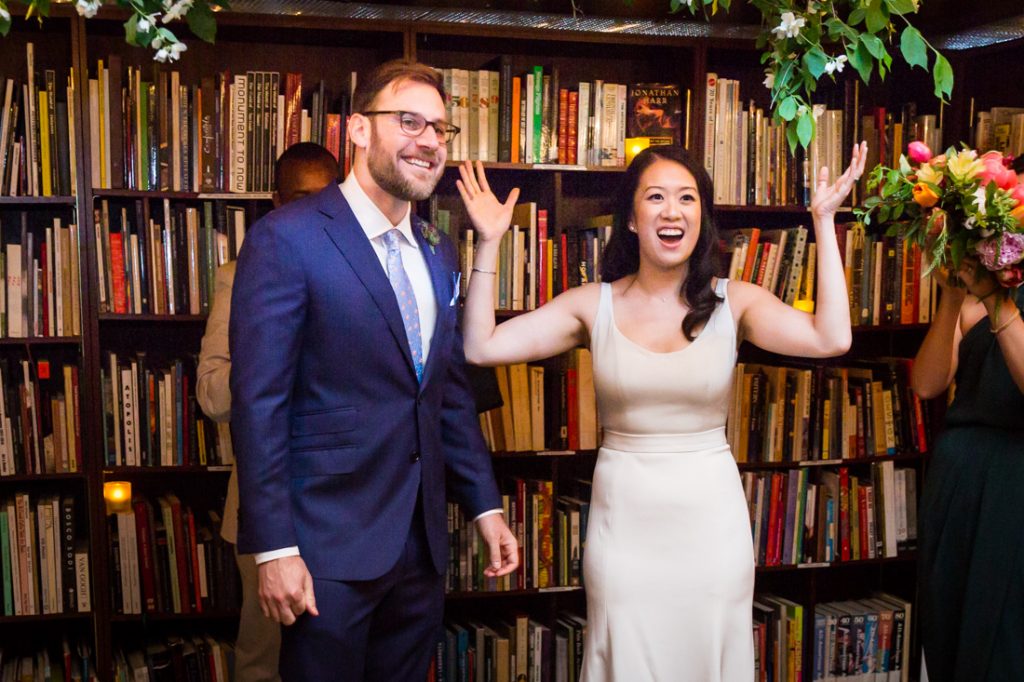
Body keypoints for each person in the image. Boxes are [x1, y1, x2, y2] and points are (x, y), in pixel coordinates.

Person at [456, 141, 866, 681]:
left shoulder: (734, 301)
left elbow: (832, 337)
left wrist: (823, 221)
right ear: (630, 217)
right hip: (624, 527)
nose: (672, 211)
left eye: (687, 199)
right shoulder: (591, 303)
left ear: (702, 216)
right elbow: (481, 347)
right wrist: (489, 242)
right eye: (656, 197)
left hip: (712, 527)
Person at [228, 59, 519, 681]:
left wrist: (485, 506)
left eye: (441, 129)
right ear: (358, 130)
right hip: (325, 546)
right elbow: (259, 405)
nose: (430, 141)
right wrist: (275, 548)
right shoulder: (288, 238)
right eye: (409, 121)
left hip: (420, 547)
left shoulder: (439, 248)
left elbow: (443, 395)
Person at [196, 142, 341, 682]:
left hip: (350, 511)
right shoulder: (239, 276)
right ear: (276, 201)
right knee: (263, 662)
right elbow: (212, 395)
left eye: (327, 198)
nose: (316, 212)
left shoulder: (364, 272)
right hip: (265, 507)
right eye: (301, 199)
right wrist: (272, 361)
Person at [911, 246, 1024, 678]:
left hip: (1014, 475)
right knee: (948, 614)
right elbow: (926, 384)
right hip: (959, 472)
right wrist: (954, 299)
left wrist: (997, 300)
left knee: (1002, 626)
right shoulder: (973, 294)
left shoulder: (997, 298)